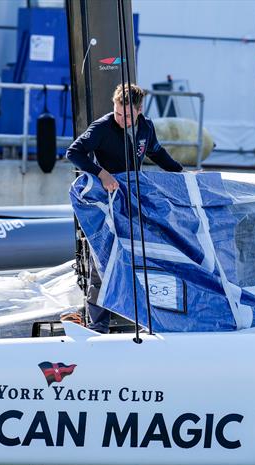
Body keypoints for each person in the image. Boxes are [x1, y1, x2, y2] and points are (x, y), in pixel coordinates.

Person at [66, 83, 184, 333]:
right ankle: (98, 326)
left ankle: (148, 322)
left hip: (131, 204)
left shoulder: (146, 127)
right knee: (102, 264)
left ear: (140, 110)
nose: (121, 119)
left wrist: (183, 175)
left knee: (142, 259)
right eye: (118, 113)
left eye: (127, 115)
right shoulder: (102, 127)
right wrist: (102, 173)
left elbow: (158, 153)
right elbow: (73, 153)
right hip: (105, 205)